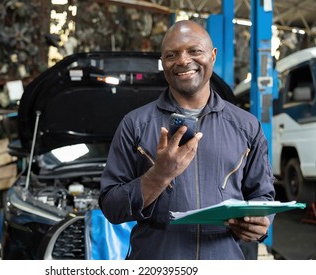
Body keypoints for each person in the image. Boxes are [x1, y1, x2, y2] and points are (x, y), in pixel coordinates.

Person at [99, 20, 275, 260]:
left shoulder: (246, 126)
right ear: (163, 63)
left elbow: (263, 196)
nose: (183, 60)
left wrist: (262, 222)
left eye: (194, 51)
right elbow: (111, 207)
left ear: (212, 56)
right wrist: (159, 175)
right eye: (172, 54)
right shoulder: (135, 124)